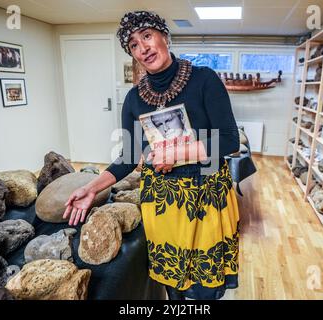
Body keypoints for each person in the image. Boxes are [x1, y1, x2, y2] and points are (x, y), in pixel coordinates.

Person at [63, 11, 241, 300]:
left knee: (206, 288)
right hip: (163, 204)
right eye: (133, 44)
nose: (142, 47)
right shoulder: (133, 99)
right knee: (173, 285)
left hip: (206, 198)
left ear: (165, 37)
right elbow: (129, 156)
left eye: (147, 36)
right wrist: (91, 187)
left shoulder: (204, 79)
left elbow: (230, 140)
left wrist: (174, 153)